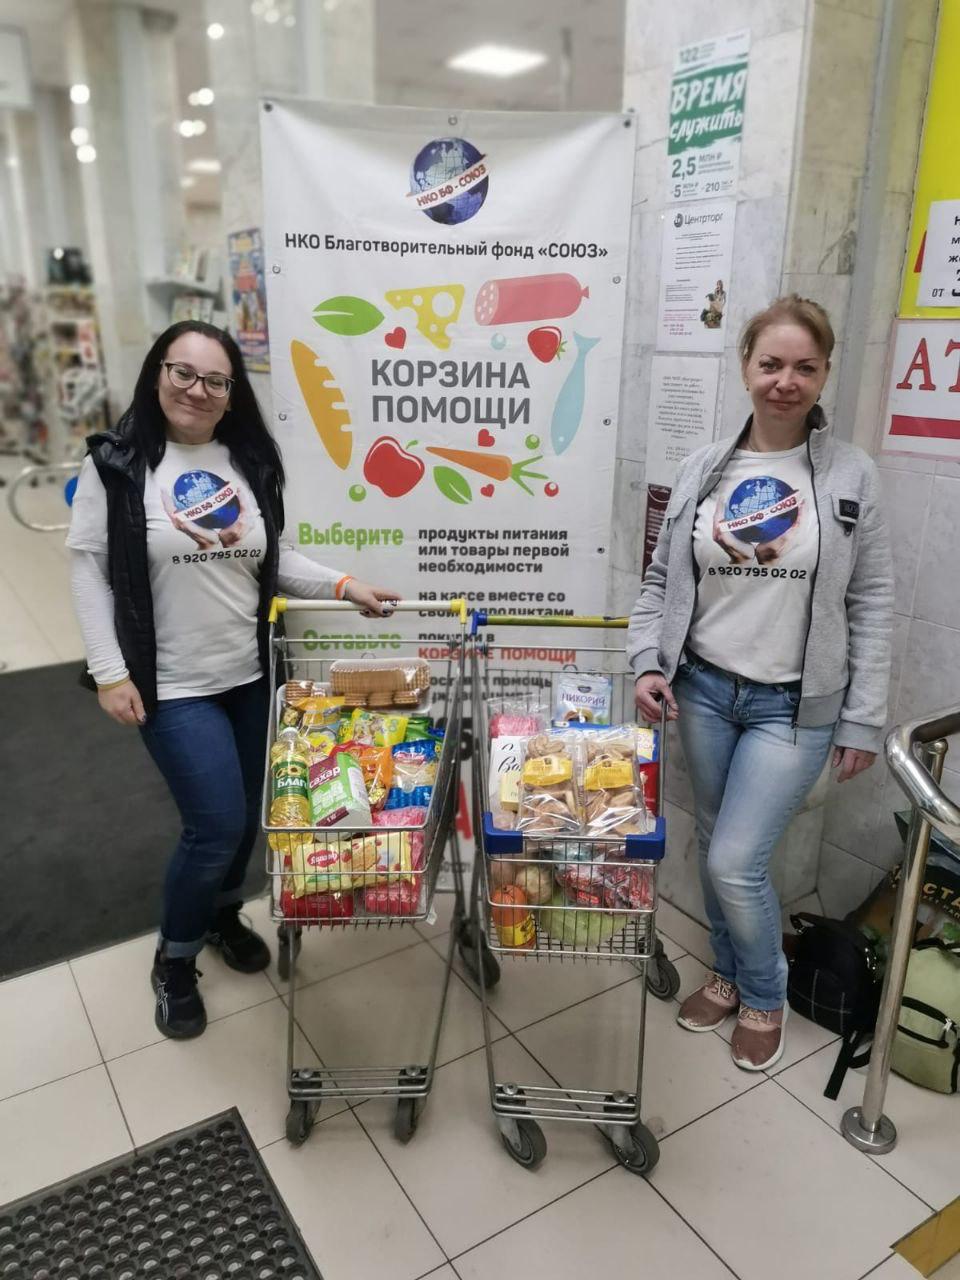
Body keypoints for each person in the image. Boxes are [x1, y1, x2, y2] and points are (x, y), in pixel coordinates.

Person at [67, 320, 398, 1040]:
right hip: (172, 685)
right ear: (157, 373)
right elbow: (89, 570)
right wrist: (109, 672)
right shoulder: (117, 464)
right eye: (183, 372)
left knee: (248, 816)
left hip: (250, 677)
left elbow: (273, 556)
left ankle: (218, 915)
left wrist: (345, 585)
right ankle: (174, 958)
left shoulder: (246, 458)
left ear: (231, 393)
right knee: (214, 826)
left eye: (215, 380)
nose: (198, 390)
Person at [628, 294, 893, 1071]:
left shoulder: (851, 474)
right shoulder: (703, 468)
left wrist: (863, 718)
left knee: (734, 861)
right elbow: (659, 579)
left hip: (793, 706)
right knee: (716, 840)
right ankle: (726, 971)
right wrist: (649, 660)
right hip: (706, 690)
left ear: (825, 374)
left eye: (804, 367)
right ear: (745, 366)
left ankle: (765, 992)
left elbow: (872, 600)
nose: (786, 381)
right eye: (771, 363)